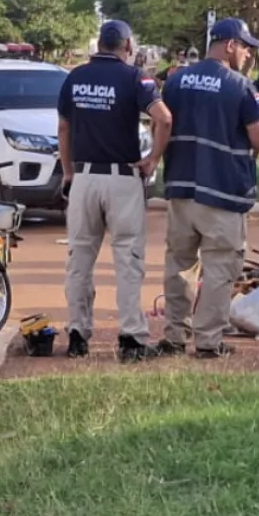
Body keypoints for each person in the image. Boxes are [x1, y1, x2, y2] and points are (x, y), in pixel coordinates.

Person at [57, 20, 173, 362]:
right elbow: (164, 118)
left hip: (84, 177)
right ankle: (131, 339)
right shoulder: (134, 78)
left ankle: (77, 335)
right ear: (128, 46)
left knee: (80, 259)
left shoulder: (75, 77)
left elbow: (63, 128)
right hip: (122, 178)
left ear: (99, 44)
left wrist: (68, 172)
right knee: (127, 259)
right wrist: (153, 157)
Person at [160, 17, 259, 358]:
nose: (249, 54)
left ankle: (174, 335)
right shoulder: (241, 86)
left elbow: (162, 124)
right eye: (245, 47)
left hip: (181, 186)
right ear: (229, 44)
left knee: (179, 264)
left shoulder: (176, 81)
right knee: (220, 267)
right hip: (222, 190)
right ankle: (208, 341)